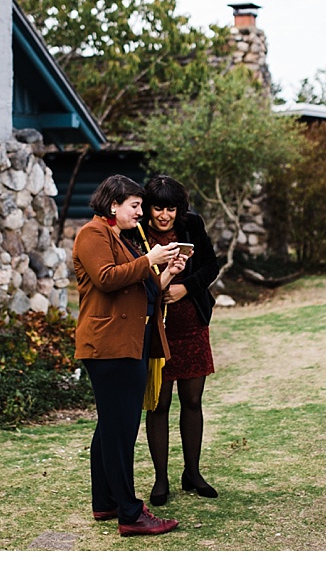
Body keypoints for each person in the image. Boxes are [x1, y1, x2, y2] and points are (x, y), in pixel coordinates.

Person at [72, 174, 188, 537]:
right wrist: (149, 258)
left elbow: (140, 287)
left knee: (110, 427)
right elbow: (107, 278)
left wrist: (167, 271)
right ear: (113, 205)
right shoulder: (92, 234)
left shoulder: (119, 238)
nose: (141, 213)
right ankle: (130, 513)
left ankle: (105, 501)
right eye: (135, 206)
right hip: (109, 346)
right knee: (121, 430)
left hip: (129, 343)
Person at [137, 175, 220, 506]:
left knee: (193, 400)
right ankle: (160, 479)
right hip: (155, 328)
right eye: (158, 208)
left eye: (171, 209)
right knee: (159, 403)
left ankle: (193, 473)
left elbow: (210, 265)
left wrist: (187, 287)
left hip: (192, 326)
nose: (164, 216)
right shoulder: (135, 231)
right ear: (148, 208)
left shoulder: (192, 225)